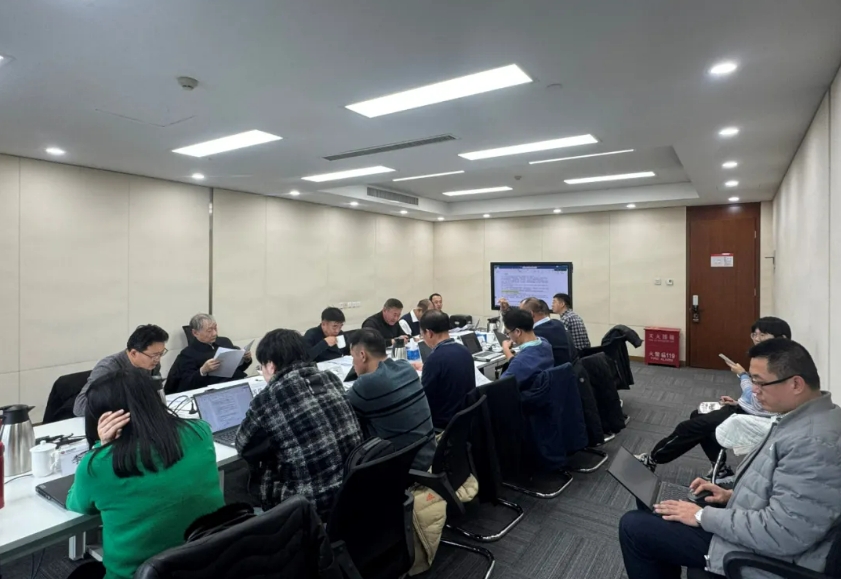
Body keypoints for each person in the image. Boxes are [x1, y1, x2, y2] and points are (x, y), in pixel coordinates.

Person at [619, 338, 841, 579]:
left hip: (763, 556)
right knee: (654, 502)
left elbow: (784, 533)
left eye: (760, 382)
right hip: (752, 528)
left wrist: (701, 515)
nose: (754, 390)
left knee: (634, 527)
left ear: (795, 384)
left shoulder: (814, 444)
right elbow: (785, 494)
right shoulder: (804, 418)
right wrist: (730, 495)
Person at [67, 370, 224, 579]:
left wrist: (101, 446)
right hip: (208, 563)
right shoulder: (200, 431)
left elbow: (76, 504)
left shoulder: (97, 465)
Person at [635, 317, 791, 478]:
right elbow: (758, 394)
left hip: (753, 417)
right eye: (754, 334)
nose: (757, 339)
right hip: (748, 409)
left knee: (688, 428)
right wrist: (738, 401)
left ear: (782, 338)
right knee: (698, 416)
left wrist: (742, 375)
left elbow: (759, 396)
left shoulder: (778, 366)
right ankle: (720, 468)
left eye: (762, 335)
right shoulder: (768, 359)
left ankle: (652, 459)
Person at [235, 329, 362, 519]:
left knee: (244, 479)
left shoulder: (268, 398)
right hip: (352, 489)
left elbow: (242, 446)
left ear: (271, 365)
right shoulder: (330, 378)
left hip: (310, 504)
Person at [347, 328, 436, 470]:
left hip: (405, 467)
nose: (353, 363)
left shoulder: (366, 384)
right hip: (429, 452)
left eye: (353, 357)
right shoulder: (406, 367)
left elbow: (341, 408)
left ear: (363, 355)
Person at [73, 325, 169, 417]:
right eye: (154, 355)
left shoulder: (152, 364)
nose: (157, 359)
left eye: (161, 354)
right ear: (134, 353)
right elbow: (79, 406)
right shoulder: (108, 368)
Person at [416, 310, 476, 428]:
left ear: (429, 333)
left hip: (443, 424)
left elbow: (424, 400)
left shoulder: (434, 360)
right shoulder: (464, 350)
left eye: (422, 335)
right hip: (466, 419)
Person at [164, 314, 252, 394]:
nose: (214, 333)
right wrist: (202, 371)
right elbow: (187, 384)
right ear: (195, 333)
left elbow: (237, 369)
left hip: (236, 383)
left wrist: (245, 360)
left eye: (215, 328)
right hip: (212, 390)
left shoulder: (225, 342)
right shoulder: (188, 354)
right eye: (209, 331)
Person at [499, 308, 554, 391]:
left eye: (508, 333)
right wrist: (507, 351)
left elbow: (500, 386)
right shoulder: (545, 344)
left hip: (526, 396)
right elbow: (523, 364)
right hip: (543, 393)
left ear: (517, 332)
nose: (508, 336)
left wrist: (506, 349)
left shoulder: (521, 361)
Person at [518, 298, 575, 366]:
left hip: (549, 370)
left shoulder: (535, 334)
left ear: (531, 314)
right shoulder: (558, 323)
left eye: (522, 314)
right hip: (565, 368)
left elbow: (524, 361)